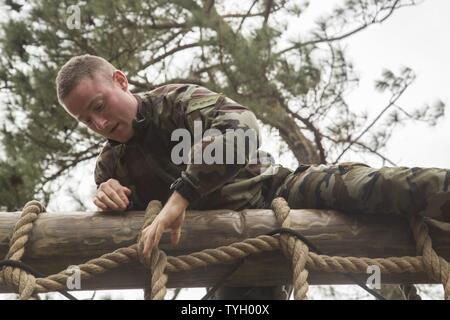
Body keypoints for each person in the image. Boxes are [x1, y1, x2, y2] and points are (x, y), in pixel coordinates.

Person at [55, 54, 450, 299]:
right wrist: (110, 199)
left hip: (276, 192)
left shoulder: (174, 104)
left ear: (120, 81)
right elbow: (136, 226)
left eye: (99, 106)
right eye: (86, 120)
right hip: (236, 255)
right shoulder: (111, 165)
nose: (100, 122)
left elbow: (240, 128)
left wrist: (180, 198)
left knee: (372, 186)